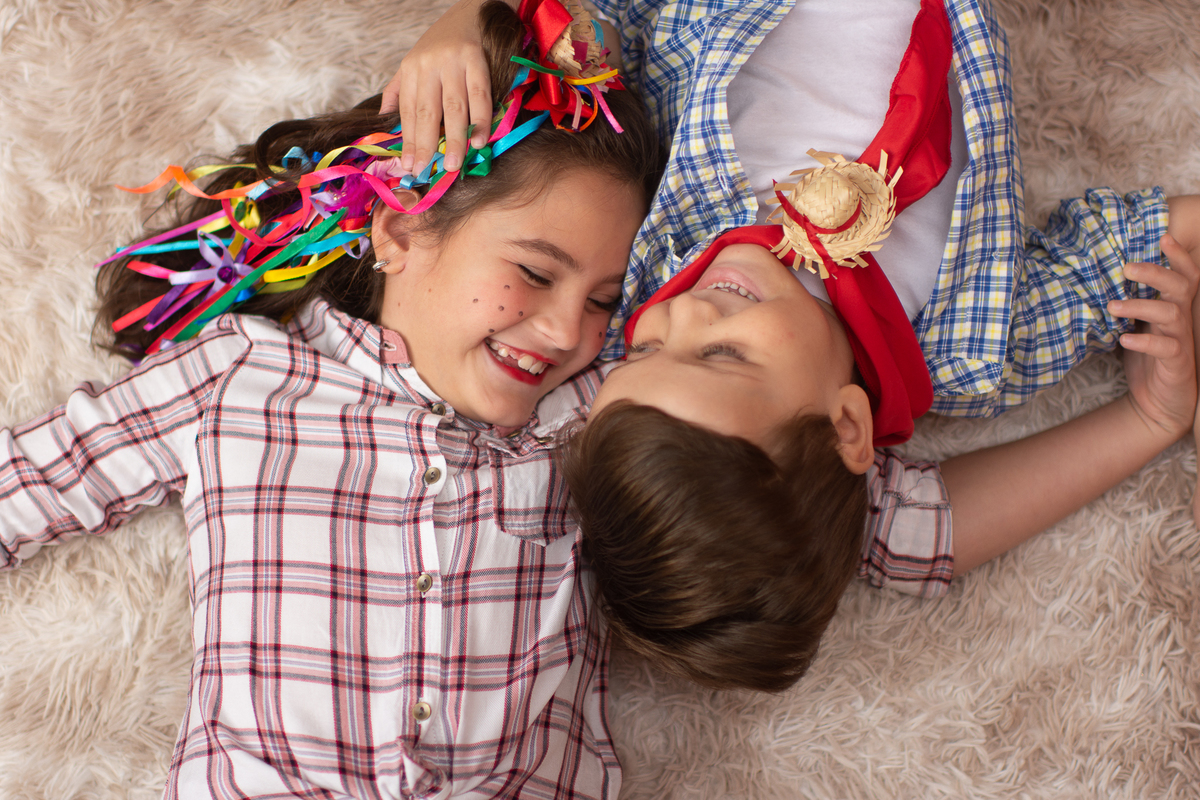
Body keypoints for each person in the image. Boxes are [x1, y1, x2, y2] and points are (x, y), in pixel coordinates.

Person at [385, 0, 1200, 691]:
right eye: (723, 357)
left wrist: (471, 20)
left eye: (639, 355)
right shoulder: (979, 347)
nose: (687, 315)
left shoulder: (639, 246)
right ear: (848, 429)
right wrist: (1150, 421)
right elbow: (919, 537)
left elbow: (589, 43)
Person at [0, 1, 662, 797]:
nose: (565, 330)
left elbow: (797, 486)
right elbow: (36, 478)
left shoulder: (604, 405)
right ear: (400, 233)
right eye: (534, 272)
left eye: (601, 301)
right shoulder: (242, 375)